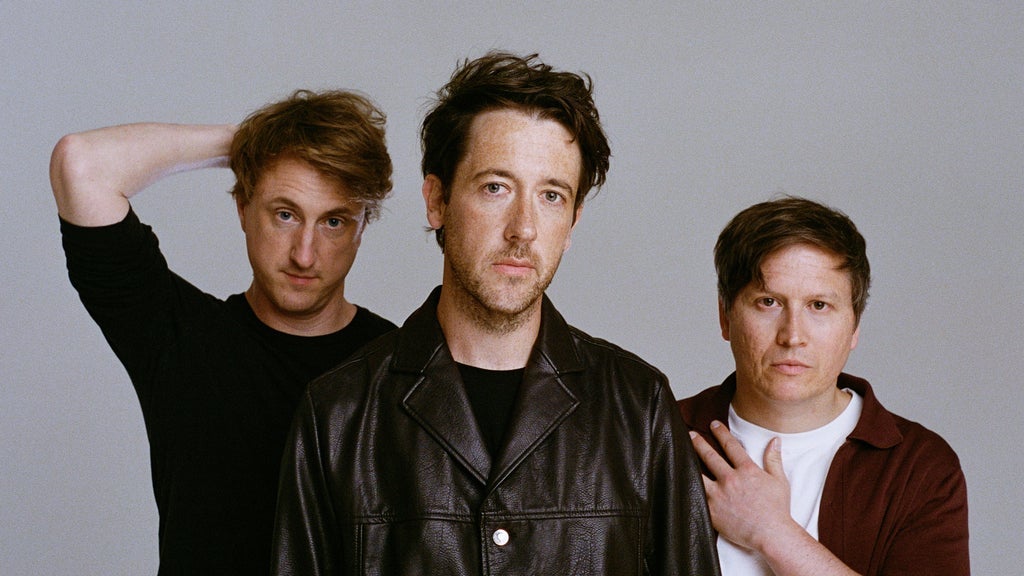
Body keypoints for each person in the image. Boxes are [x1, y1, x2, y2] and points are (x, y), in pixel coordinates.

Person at [271, 52, 720, 575]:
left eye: (551, 196)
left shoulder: (639, 408)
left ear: (572, 223)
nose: (523, 228)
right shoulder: (337, 415)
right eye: (495, 188)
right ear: (437, 201)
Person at [50, 90, 398, 576]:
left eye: (334, 222)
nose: (304, 253)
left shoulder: (400, 367)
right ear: (243, 207)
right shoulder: (181, 339)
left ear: (362, 228)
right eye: (285, 214)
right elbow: (81, 164)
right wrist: (255, 143)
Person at [680, 196, 969, 576]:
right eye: (768, 302)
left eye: (818, 306)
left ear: (854, 326)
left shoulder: (919, 466)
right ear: (726, 316)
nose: (792, 336)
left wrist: (773, 533)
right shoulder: (656, 436)